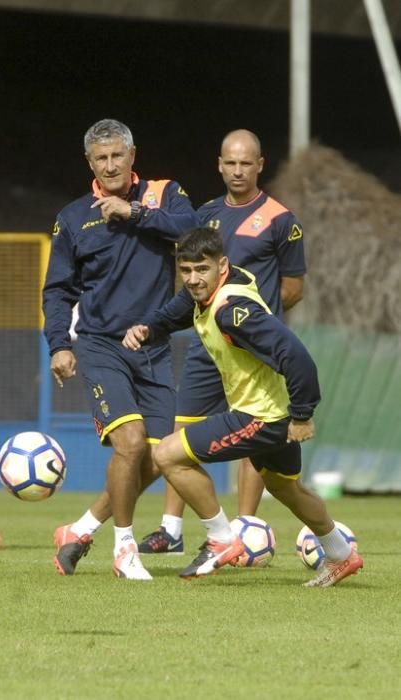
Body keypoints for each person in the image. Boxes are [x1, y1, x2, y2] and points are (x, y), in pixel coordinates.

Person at [123, 227, 363, 587]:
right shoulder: (213, 289)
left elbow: (296, 356)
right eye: (185, 270)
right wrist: (148, 329)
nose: (192, 279)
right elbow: (177, 311)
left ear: (222, 266)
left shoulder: (233, 310)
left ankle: (221, 538)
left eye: (201, 270)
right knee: (286, 489)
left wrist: (302, 414)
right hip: (272, 412)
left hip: (262, 416)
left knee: (168, 455)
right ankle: (342, 555)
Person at [138, 129, 307, 555]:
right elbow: (190, 275)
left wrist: (254, 320)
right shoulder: (206, 213)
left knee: (254, 434)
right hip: (206, 345)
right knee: (183, 432)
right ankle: (171, 529)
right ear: (219, 165)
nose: (237, 170)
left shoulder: (281, 220)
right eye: (230, 163)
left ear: (259, 165)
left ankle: (247, 528)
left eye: (245, 163)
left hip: (251, 350)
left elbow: (293, 288)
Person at [42, 118, 197, 580]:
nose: (110, 165)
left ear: (133, 156)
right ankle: (124, 548)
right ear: (89, 163)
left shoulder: (164, 195)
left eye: (117, 156)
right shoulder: (72, 218)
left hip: (153, 346)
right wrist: (58, 345)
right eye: (100, 158)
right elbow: (57, 290)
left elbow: (192, 229)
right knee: (129, 443)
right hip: (99, 346)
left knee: (158, 457)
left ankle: (81, 529)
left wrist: (134, 214)